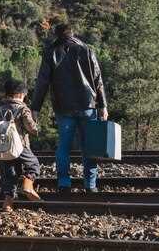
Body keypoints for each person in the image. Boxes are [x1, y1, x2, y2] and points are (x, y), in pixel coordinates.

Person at [31, 22, 108, 193]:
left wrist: (35, 107)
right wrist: (102, 105)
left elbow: (42, 82)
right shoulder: (86, 49)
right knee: (89, 146)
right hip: (87, 104)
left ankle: (64, 184)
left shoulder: (51, 51)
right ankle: (91, 185)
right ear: (72, 33)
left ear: (56, 35)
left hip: (63, 106)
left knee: (63, 147)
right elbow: (97, 79)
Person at [0, 78, 41, 212]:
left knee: (8, 175)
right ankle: (27, 185)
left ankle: (8, 203)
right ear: (21, 94)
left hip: (2, 148)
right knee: (33, 164)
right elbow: (31, 128)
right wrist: (37, 129)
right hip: (20, 147)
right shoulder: (23, 109)